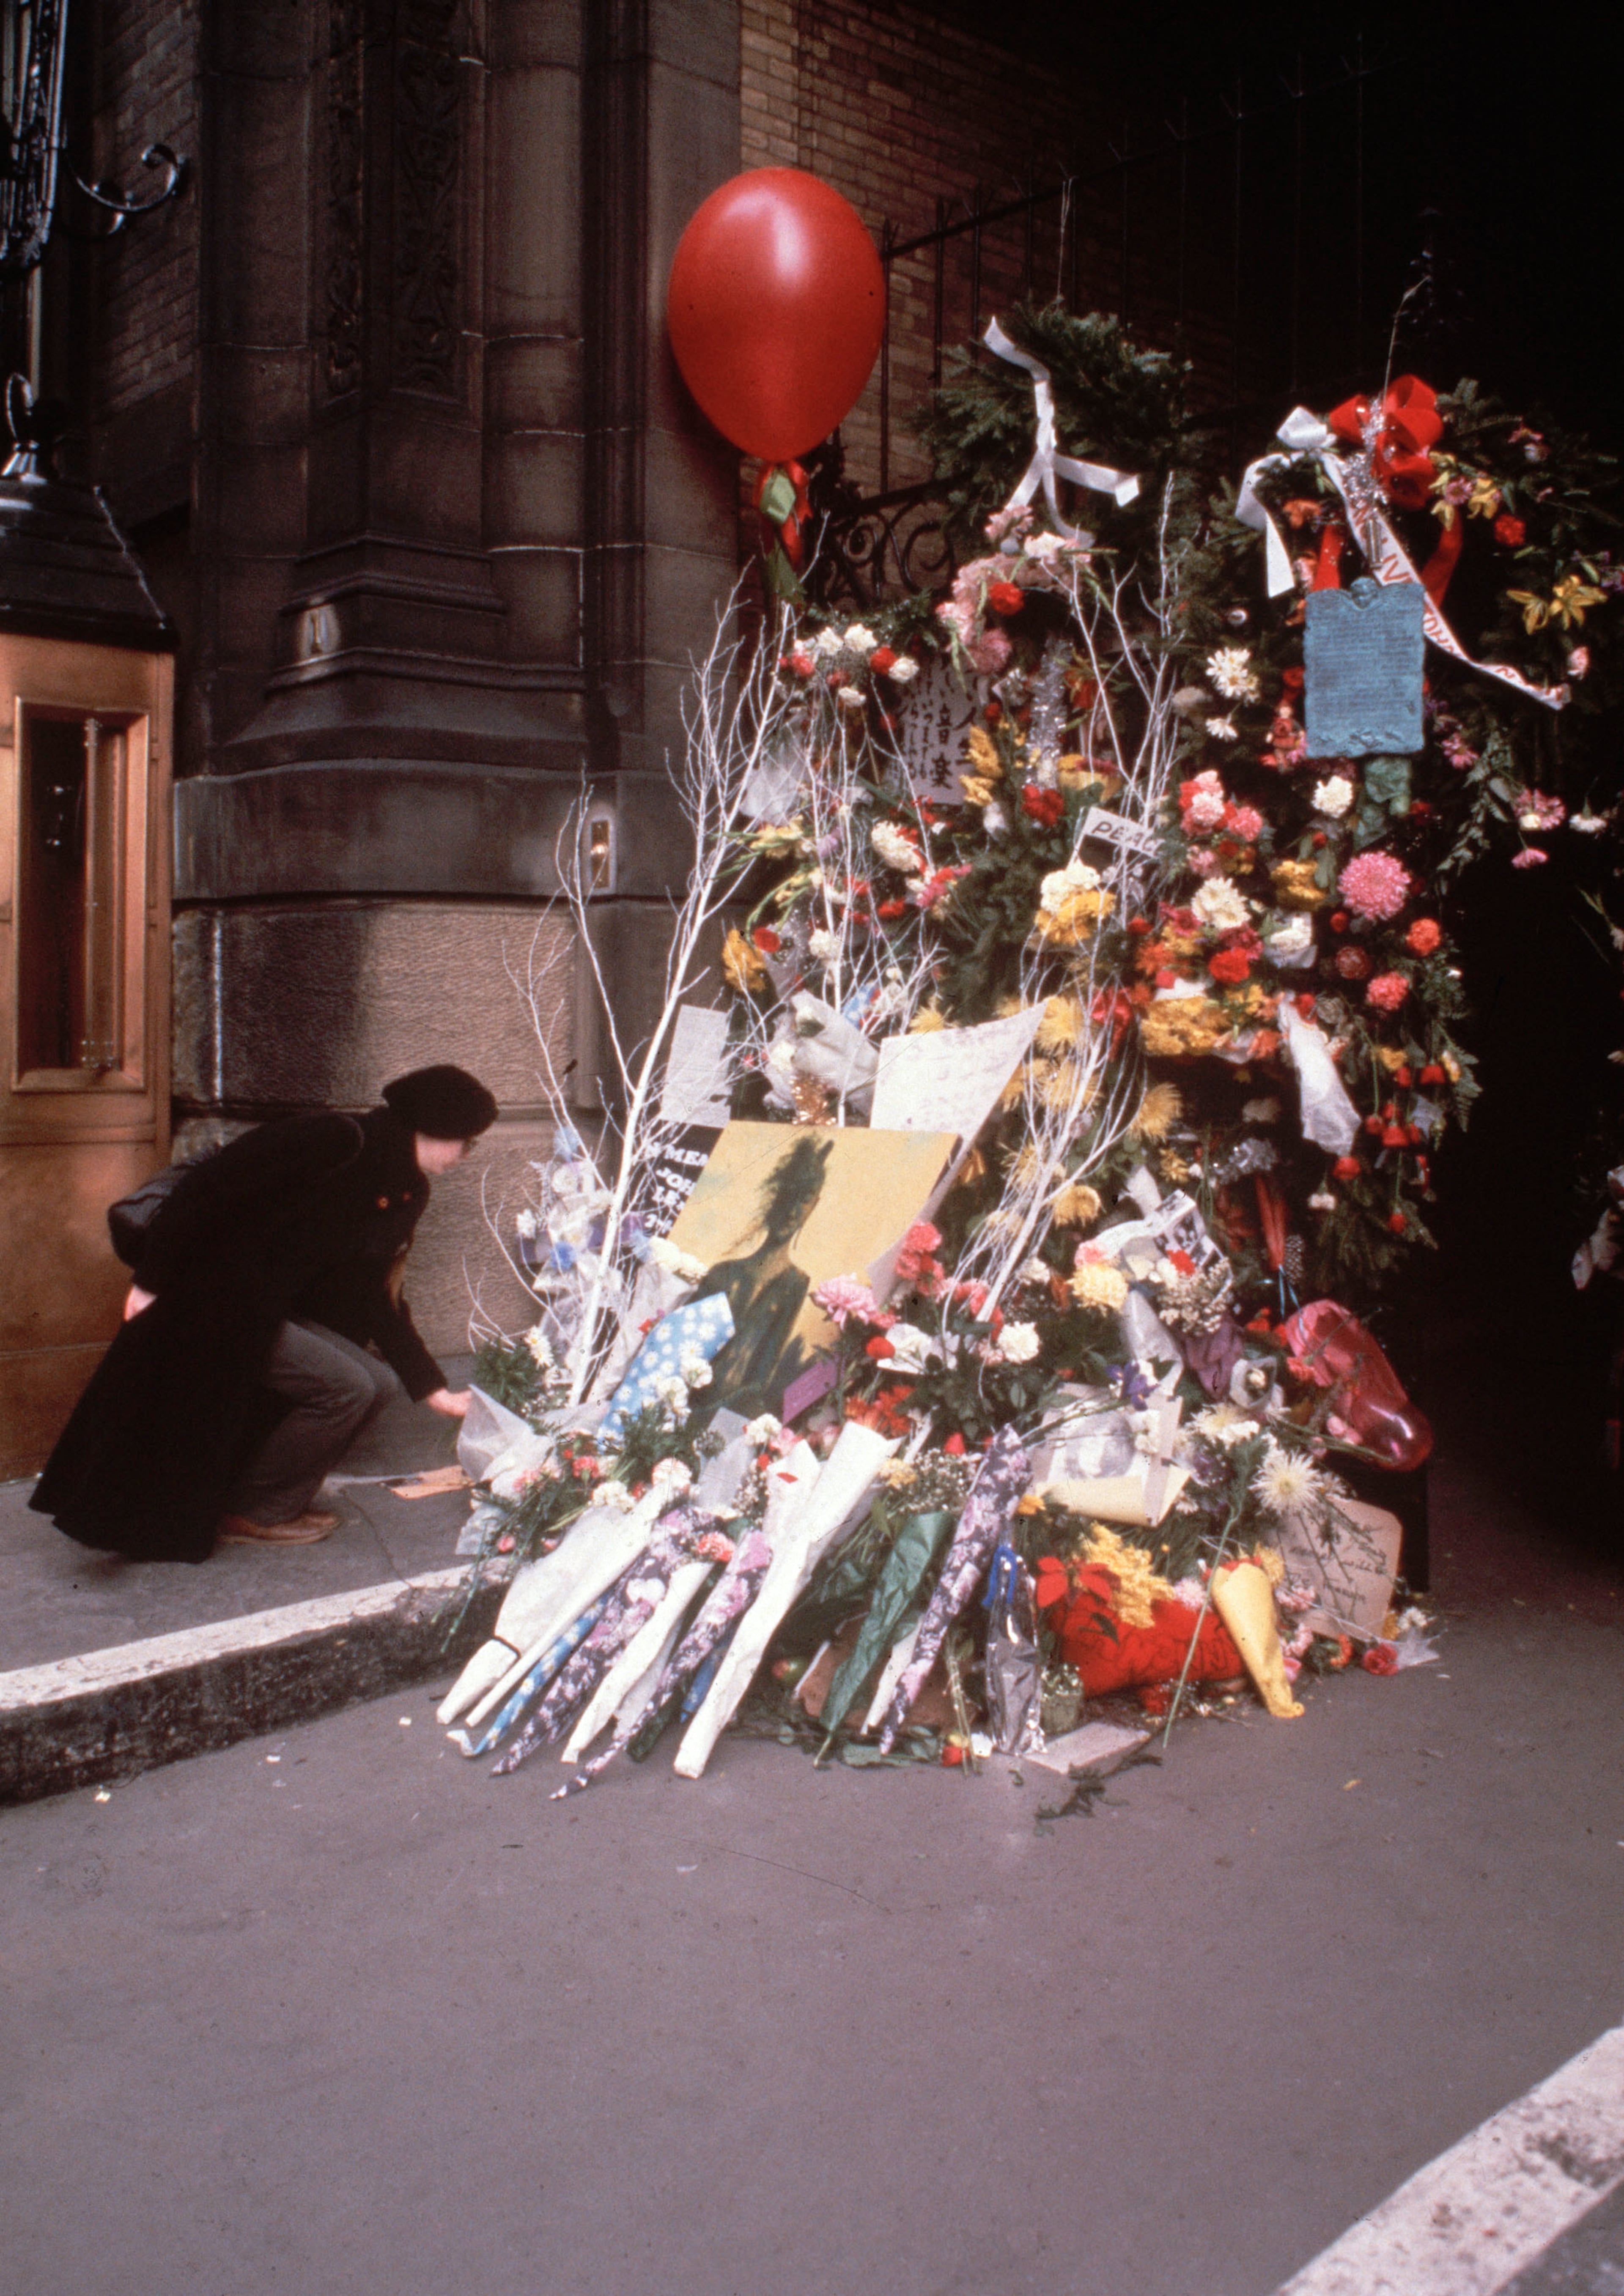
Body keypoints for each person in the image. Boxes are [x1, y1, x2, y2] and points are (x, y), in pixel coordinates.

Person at [30, 1065, 498, 1564]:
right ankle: (256, 1510)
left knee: (376, 1385)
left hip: (264, 1310)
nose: (464, 1157)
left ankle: (260, 1504)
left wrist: (430, 1387)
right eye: (465, 1142)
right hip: (211, 1301)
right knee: (348, 1387)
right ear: (434, 1124)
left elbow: (369, 1290)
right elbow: (207, 1188)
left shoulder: (406, 1189)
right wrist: (150, 1282)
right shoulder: (338, 1138)